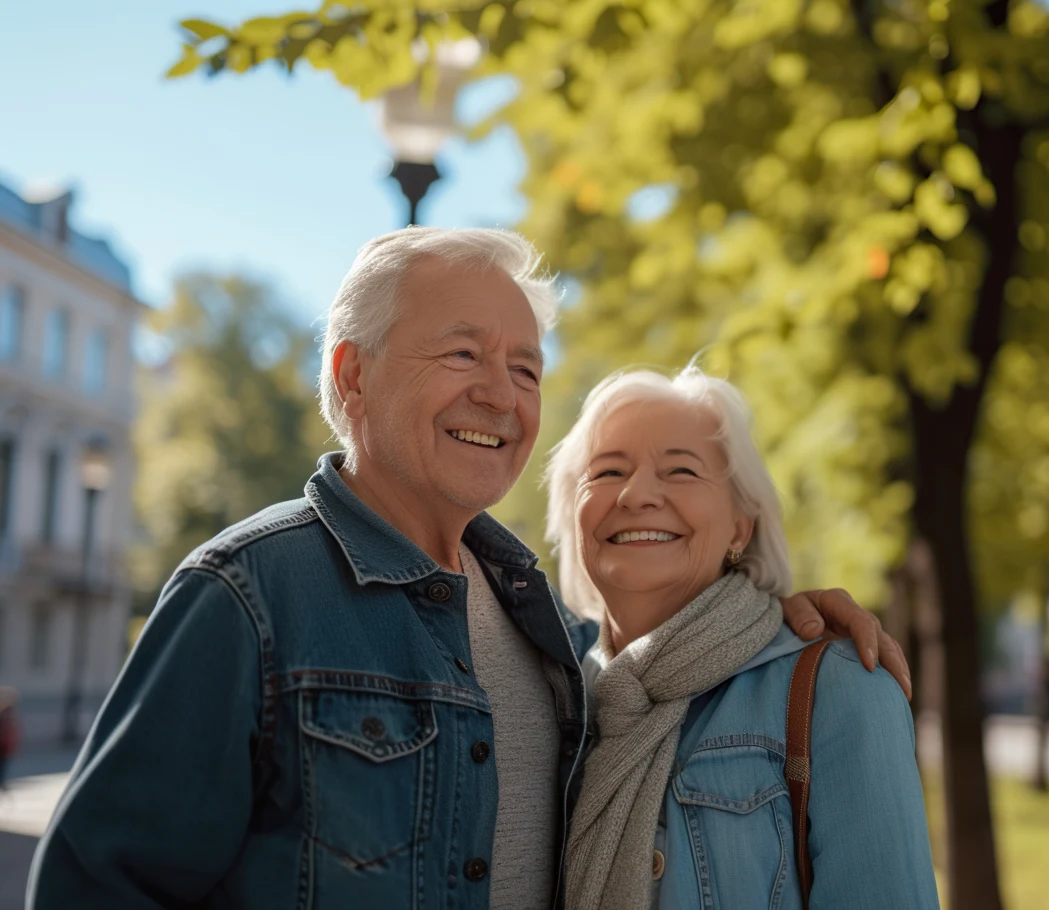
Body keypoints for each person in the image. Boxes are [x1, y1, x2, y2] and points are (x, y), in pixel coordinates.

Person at [28, 227, 909, 910]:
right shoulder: (248, 597)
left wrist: (780, 613)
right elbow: (96, 887)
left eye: (525, 368)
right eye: (462, 353)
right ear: (353, 375)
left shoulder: (560, 649)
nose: (502, 391)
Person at [547, 368, 939, 910]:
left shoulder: (841, 690)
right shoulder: (553, 703)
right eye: (608, 471)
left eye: (680, 470)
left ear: (740, 526)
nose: (636, 494)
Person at [0, 687, 19, 791]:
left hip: (6, 748)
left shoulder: (10, 713)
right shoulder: (4, 714)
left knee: (3, 769)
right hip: (2, 747)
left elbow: (13, 732)